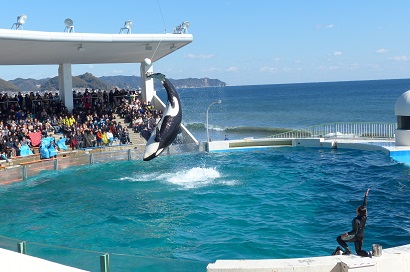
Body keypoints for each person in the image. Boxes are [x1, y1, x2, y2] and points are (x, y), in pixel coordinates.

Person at [337, 188, 370, 257]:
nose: (357, 208)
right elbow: (364, 205)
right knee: (358, 252)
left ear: (359, 212)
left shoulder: (356, 220)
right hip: (361, 236)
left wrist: (346, 234)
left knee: (339, 238)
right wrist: (366, 196)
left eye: (358, 208)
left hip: (356, 236)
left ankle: (348, 251)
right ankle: (368, 254)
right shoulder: (365, 216)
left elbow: (354, 231)